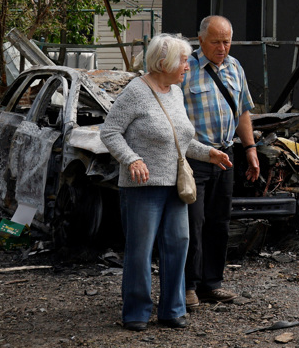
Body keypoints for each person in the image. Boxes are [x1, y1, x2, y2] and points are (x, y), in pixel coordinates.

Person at [100, 33, 233, 332]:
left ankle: (172, 310)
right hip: (142, 188)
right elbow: (109, 133)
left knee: (178, 245)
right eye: (184, 60)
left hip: (176, 186)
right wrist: (132, 159)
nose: (188, 66)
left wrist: (208, 153)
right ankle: (135, 312)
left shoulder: (175, 93)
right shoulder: (135, 92)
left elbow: (181, 141)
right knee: (141, 250)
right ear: (164, 63)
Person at [183, 15, 260, 308]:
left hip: (225, 156)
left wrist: (250, 149)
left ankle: (211, 284)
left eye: (226, 41)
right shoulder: (185, 68)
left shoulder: (235, 67)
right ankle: (188, 286)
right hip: (195, 157)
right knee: (192, 223)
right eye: (216, 41)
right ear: (200, 39)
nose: (222, 47)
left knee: (219, 223)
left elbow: (242, 112)